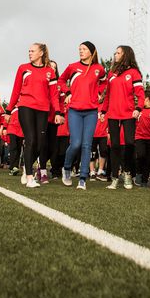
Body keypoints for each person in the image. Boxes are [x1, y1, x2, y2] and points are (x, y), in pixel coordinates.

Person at [7, 43, 62, 188]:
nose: (29, 53)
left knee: (40, 143)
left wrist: (57, 111)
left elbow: (54, 95)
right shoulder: (23, 68)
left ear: (41, 53)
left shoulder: (50, 71)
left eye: (33, 51)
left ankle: (26, 167)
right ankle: (30, 178)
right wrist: (9, 109)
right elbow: (16, 89)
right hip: (25, 107)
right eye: (29, 51)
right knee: (30, 139)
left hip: (43, 110)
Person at [58, 41, 106, 189]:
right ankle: (66, 168)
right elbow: (60, 80)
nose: (81, 51)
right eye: (79, 49)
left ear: (91, 52)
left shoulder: (99, 68)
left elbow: (105, 83)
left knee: (87, 145)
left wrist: (99, 94)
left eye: (84, 49)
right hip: (74, 111)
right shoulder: (72, 67)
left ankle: (83, 179)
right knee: (76, 143)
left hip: (91, 111)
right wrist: (67, 92)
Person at [100, 45, 145, 190]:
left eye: (118, 52)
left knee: (130, 144)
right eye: (115, 52)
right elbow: (108, 95)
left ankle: (127, 173)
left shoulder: (134, 73)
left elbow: (140, 93)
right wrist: (103, 110)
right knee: (114, 146)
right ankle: (114, 177)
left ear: (125, 55)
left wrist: (139, 108)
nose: (115, 54)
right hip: (113, 114)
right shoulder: (111, 73)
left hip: (128, 114)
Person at [134, 91, 150, 187]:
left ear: (146, 99)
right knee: (141, 155)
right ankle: (138, 173)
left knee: (148, 160)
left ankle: (144, 180)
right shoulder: (138, 110)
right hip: (139, 137)